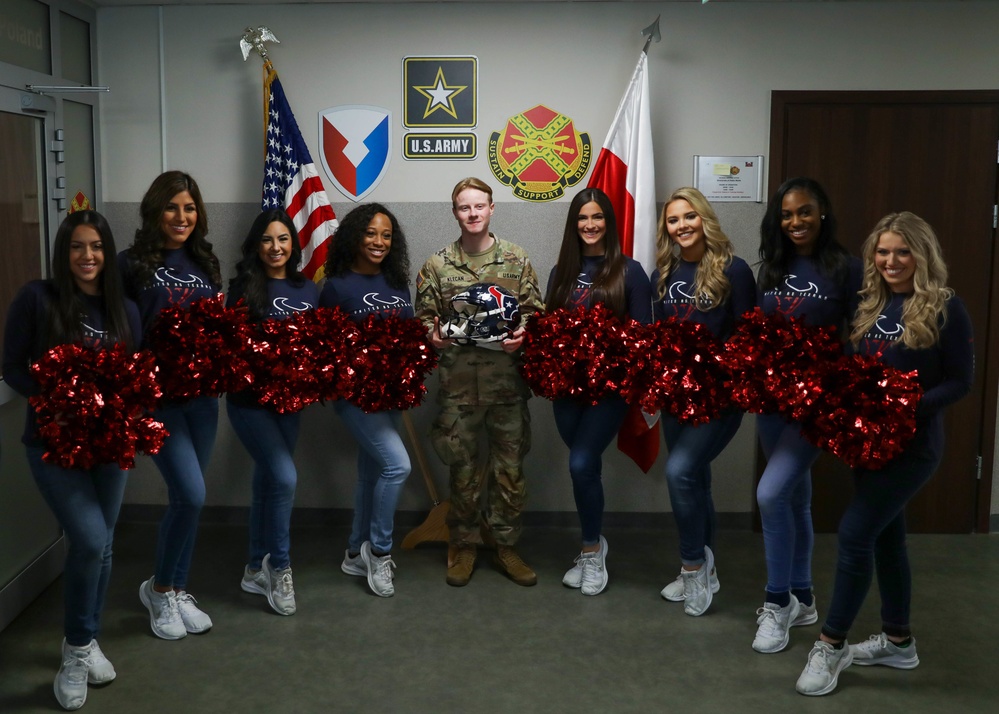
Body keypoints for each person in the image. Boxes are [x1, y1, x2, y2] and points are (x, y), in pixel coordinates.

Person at [795, 212, 973, 695]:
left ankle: (831, 645)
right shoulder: (868, 304)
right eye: (883, 251)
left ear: (922, 254)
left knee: (854, 534)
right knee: (886, 541)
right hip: (867, 446)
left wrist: (908, 406)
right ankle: (898, 641)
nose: (892, 261)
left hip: (913, 449)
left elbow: (961, 381)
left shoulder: (943, 307)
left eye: (903, 251)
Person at [2, 210, 141, 710]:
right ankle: (77, 651)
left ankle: (85, 638)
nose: (87, 256)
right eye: (77, 247)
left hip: (109, 446)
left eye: (97, 246)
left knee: (101, 548)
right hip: (52, 444)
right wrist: (55, 399)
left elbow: (133, 377)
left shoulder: (124, 309)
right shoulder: (36, 299)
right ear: (63, 252)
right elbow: (12, 366)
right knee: (88, 539)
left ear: (107, 251)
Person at [414, 177, 543, 587]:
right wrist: (431, 338)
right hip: (459, 391)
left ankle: (505, 546)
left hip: (507, 388)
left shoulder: (516, 259)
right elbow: (423, 321)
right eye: (464, 207)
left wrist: (522, 335)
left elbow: (535, 313)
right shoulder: (436, 264)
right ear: (455, 212)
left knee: (510, 474)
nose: (472, 214)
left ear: (492, 209)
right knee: (463, 474)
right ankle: (464, 546)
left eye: (479, 206)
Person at [753, 177, 862, 653]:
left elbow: (860, 334)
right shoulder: (771, 268)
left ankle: (776, 603)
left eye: (805, 212)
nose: (795, 221)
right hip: (772, 401)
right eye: (787, 214)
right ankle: (802, 596)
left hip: (816, 404)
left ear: (822, 214)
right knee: (794, 498)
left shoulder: (847, 268)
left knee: (770, 493)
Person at [118, 171, 222, 640]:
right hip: (158, 401)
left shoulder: (206, 261)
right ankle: (159, 590)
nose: (182, 217)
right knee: (192, 494)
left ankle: (176, 586)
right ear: (155, 210)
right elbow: (121, 336)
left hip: (202, 399)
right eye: (172, 207)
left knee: (188, 500)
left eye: (190, 208)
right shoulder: (129, 264)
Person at [651, 187, 756, 615]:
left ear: (705, 218)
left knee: (679, 473)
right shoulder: (666, 271)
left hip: (719, 398)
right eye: (673, 220)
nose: (682, 226)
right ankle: (705, 569)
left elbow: (750, 337)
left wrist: (719, 373)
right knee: (698, 480)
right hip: (677, 397)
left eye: (689, 216)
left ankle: (693, 567)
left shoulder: (735, 270)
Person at [547, 187, 653, 596]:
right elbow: (549, 329)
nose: (590, 225)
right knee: (584, 467)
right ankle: (593, 544)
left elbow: (642, 337)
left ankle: (592, 551)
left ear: (609, 222)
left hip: (609, 392)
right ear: (574, 225)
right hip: (566, 390)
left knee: (580, 464)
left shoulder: (631, 271)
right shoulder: (561, 272)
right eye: (582, 219)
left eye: (598, 218)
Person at [227, 209, 318, 615]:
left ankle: (252, 566)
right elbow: (230, 349)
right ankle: (279, 567)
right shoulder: (242, 288)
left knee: (269, 481)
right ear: (256, 245)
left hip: (290, 403)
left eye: (283, 239)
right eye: (267, 239)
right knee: (284, 476)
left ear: (293, 245)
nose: (275, 247)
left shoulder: (307, 289)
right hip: (249, 403)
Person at [322, 203, 413, 598]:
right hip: (355, 397)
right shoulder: (337, 285)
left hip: (391, 394)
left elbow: (409, 337)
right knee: (397, 465)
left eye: (386, 235)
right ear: (355, 236)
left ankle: (353, 553)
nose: (379, 242)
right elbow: (325, 349)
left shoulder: (397, 281)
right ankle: (378, 551)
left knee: (371, 472)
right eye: (371, 233)